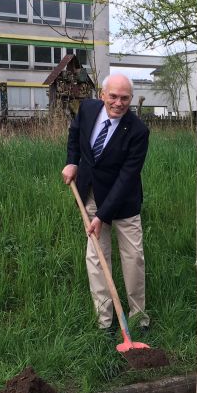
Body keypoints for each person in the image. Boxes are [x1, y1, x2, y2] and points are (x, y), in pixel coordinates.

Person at [61, 74, 150, 334]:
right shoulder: (88, 109)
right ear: (102, 94)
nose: (118, 103)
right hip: (89, 194)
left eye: (124, 98)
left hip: (124, 204)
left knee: (133, 259)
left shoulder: (138, 131)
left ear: (131, 100)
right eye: (113, 96)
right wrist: (72, 161)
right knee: (97, 259)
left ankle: (138, 319)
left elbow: (127, 178)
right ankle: (105, 321)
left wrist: (103, 215)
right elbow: (75, 133)